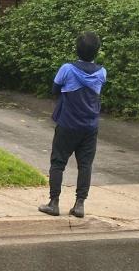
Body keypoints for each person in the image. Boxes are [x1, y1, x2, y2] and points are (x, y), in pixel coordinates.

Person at [38, 32, 107, 218]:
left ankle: (54, 203)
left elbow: (54, 89)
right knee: (85, 165)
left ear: (77, 49)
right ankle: (79, 205)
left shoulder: (67, 69)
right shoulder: (102, 72)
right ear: (97, 51)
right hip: (90, 126)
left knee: (58, 162)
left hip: (68, 123)